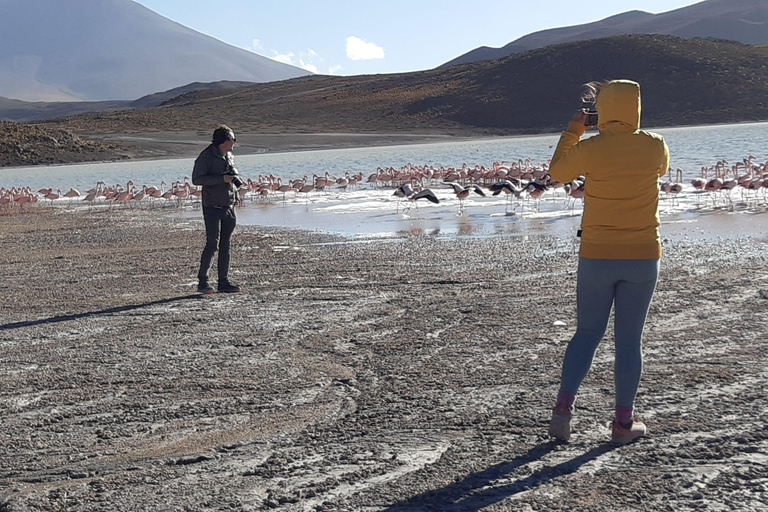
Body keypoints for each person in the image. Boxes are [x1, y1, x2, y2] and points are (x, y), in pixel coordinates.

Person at [546, 80, 670, 445]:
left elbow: (558, 173)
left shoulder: (591, 148)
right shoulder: (655, 145)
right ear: (635, 107)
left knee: (586, 333)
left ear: (603, 109)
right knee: (629, 340)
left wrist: (574, 130)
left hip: (597, 254)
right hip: (643, 254)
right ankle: (622, 424)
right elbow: (661, 171)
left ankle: (563, 412)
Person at [192, 125, 242, 294]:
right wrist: (221, 179)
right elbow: (197, 179)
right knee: (212, 243)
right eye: (232, 139)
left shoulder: (229, 156)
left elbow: (230, 178)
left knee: (226, 244)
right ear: (225, 141)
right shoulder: (205, 157)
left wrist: (236, 195)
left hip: (228, 205)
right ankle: (203, 281)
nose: (234, 143)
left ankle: (223, 281)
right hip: (212, 205)